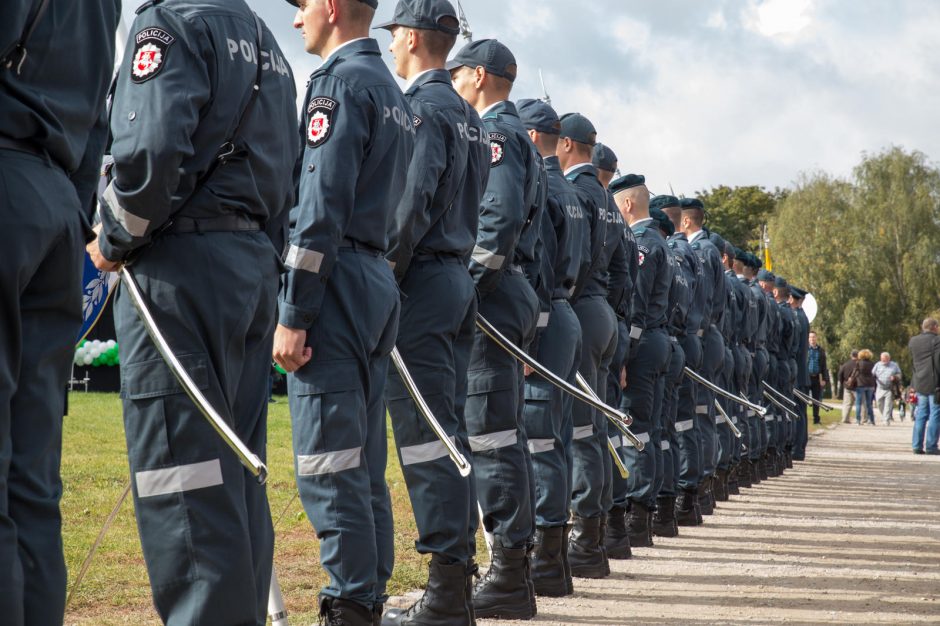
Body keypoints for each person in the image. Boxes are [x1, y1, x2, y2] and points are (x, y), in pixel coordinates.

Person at [90, 0, 299, 622]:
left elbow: (150, 151)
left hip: (180, 266)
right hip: (250, 264)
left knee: (183, 483)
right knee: (233, 478)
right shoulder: (268, 43)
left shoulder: (170, 22)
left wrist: (112, 237)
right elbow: (289, 171)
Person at [274, 1, 415, 624]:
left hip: (335, 281)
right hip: (373, 276)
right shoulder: (390, 87)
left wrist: (294, 310)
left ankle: (350, 605)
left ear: (330, 6)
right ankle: (367, 598)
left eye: (303, 7)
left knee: (329, 465)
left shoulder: (338, 84)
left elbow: (319, 205)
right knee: (362, 463)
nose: (298, 20)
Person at [2, 2, 119, 623]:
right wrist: (73, 217)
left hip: (13, 176)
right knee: (33, 483)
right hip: (56, 203)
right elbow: (99, 115)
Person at [375, 2, 488, 623]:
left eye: (393, 36)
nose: (390, 46)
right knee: (448, 431)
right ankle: (453, 583)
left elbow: (409, 203)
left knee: (427, 439)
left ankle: (446, 592)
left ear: (412, 38)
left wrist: (381, 275)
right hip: (453, 279)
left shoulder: (423, 107)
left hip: (420, 280)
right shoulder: (467, 115)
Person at [449, 38, 543, 620]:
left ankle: (509, 574)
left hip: (493, 294)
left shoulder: (497, 134)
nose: (453, 83)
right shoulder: (503, 132)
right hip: (506, 291)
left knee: (490, 436)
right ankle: (514, 569)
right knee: (499, 435)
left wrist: (467, 285)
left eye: (458, 74)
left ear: (478, 77)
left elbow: (500, 218)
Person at [517, 98, 588, 598]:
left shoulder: (541, 183)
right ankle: (554, 561)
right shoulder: (570, 190)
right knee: (555, 440)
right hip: (568, 312)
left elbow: (537, 260)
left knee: (540, 439)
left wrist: (531, 329)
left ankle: (545, 561)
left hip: (545, 315)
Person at [613, 175, 674, 548]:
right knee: (650, 428)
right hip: (658, 340)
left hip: (644, 341)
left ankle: (637, 515)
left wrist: (624, 355)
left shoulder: (642, 243)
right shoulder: (658, 243)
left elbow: (636, 306)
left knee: (635, 428)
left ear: (627, 205)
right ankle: (645, 513)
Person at [908, 318, 940, 454]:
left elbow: (913, 362)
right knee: (935, 413)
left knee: (921, 413)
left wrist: (913, 382)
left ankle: (916, 445)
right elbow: (938, 362)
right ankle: (931, 446)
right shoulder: (937, 341)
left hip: (920, 381)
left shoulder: (913, 341)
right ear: (934, 327)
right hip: (935, 382)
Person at [872, 352, 902, 425]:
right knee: (879, 403)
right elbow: (872, 373)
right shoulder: (877, 364)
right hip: (880, 387)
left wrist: (895, 377)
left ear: (889, 359)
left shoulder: (894, 365)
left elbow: (899, 374)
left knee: (888, 405)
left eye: (885, 360)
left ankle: (886, 420)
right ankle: (885, 416)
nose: (884, 361)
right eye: (882, 359)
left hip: (889, 388)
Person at [806, 331, 829, 424]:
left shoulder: (821, 350)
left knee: (816, 400)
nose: (812, 339)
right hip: (806, 378)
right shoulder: (805, 350)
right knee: (804, 399)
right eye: (810, 337)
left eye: (814, 337)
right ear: (808, 339)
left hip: (816, 378)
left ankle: (816, 419)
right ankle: (804, 419)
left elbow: (824, 366)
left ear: (816, 338)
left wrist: (824, 379)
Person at [853, 349, 876, 425]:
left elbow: (855, 372)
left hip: (861, 384)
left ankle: (858, 420)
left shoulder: (859, 363)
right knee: (869, 404)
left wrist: (852, 379)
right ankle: (871, 420)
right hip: (870, 384)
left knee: (858, 403)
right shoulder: (872, 363)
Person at [837, 350, 859, 424]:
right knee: (859, 403)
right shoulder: (859, 364)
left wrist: (843, 382)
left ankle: (845, 419)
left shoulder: (845, 364)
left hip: (847, 386)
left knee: (847, 403)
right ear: (858, 356)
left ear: (851, 355)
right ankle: (860, 419)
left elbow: (840, 375)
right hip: (857, 386)